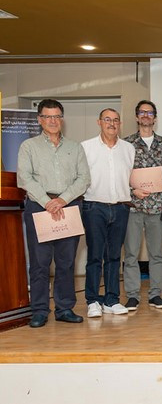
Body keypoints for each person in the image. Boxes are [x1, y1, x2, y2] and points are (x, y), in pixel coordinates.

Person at [18, 99, 91, 328]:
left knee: (66, 262)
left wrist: (62, 200)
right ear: (40, 119)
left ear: (62, 119)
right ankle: (39, 310)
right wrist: (46, 201)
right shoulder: (28, 146)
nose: (53, 121)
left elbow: (84, 179)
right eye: (48, 116)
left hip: (68, 206)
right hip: (39, 207)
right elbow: (24, 178)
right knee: (40, 263)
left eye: (57, 116)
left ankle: (65, 308)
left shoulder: (75, 147)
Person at [80, 108, 135, 317]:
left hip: (121, 207)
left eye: (116, 120)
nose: (112, 123)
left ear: (120, 123)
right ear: (99, 122)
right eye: (107, 119)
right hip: (94, 207)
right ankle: (93, 301)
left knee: (114, 256)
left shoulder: (128, 148)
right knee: (95, 256)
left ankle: (112, 300)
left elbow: (131, 178)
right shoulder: (86, 147)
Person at [123, 100, 162, 310]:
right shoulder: (125, 144)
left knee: (156, 254)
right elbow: (119, 175)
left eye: (150, 112)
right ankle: (132, 296)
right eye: (142, 112)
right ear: (136, 116)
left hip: (158, 208)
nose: (146, 115)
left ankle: (155, 295)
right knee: (131, 255)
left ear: (155, 117)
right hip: (133, 207)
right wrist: (132, 191)